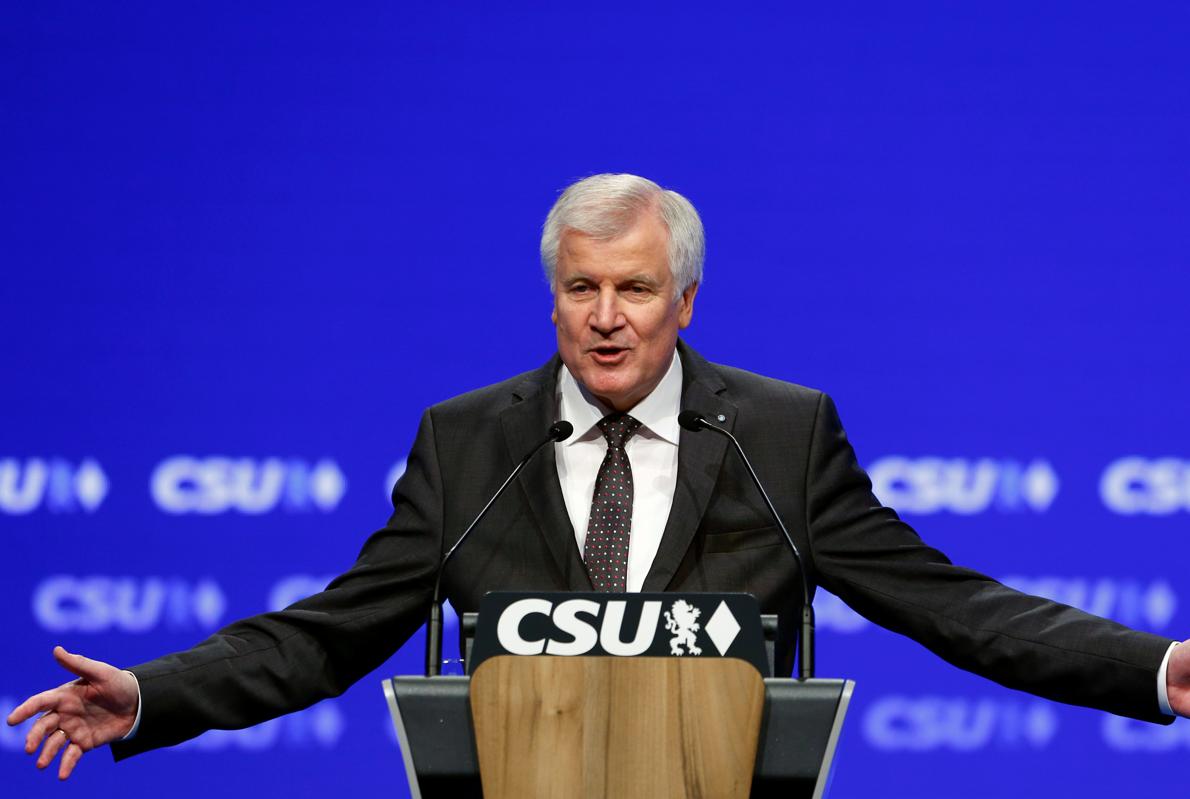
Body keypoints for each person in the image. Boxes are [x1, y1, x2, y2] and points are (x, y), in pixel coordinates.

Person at [9, 173, 1190, 780]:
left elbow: (951, 605)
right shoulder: (467, 440)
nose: (608, 319)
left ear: (684, 301)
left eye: (634, 290)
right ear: (554, 297)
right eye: (583, 289)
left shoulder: (781, 436)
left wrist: (1150, 666)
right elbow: (331, 631)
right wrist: (154, 696)